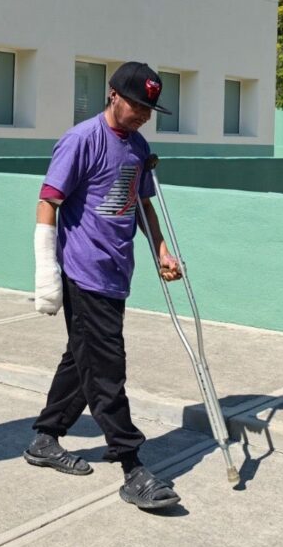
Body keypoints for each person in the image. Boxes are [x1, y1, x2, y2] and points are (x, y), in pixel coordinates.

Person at [26, 61, 184, 510]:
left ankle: (45, 438)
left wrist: (161, 251)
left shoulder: (138, 146)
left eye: (150, 109)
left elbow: (143, 205)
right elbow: (48, 201)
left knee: (84, 358)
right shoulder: (82, 140)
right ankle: (132, 466)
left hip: (117, 271)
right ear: (113, 94)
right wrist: (47, 274)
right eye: (138, 104)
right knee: (108, 367)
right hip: (83, 271)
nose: (143, 114)